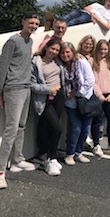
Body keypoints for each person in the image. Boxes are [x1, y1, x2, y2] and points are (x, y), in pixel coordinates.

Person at [0, 13, 40, 189]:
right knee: (10, 130)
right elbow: (1, 67)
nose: (34, 26)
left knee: (21, 125)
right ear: (23, 22)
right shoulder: (13, 41)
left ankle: (17, 160)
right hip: (13, 89)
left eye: (36, 24)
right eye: (31, 23)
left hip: (26, 88)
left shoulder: (30, 42)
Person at [31, 38, 64, 176]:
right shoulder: (36, 63)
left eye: (57, 50)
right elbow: (31, 84)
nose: (54, 52)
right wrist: (48, 89)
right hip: (45, 99)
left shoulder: (57, 61)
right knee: (57, 128)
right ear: (46, 48)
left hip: (59, 97)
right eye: (52, 49)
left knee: (47, 127)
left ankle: (44, 155)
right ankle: (51, 159)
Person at [60, 42, 95, 166]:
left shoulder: (81, 62)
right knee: (75, 128)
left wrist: (77, 93)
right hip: (70, 103)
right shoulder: (61, 65)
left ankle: (79, 152)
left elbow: (90, 80)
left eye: (68, 52)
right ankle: (70, 154)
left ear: (73, 52)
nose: (65, 55)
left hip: (85, 100)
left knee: (85, 128)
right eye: (63, 52)